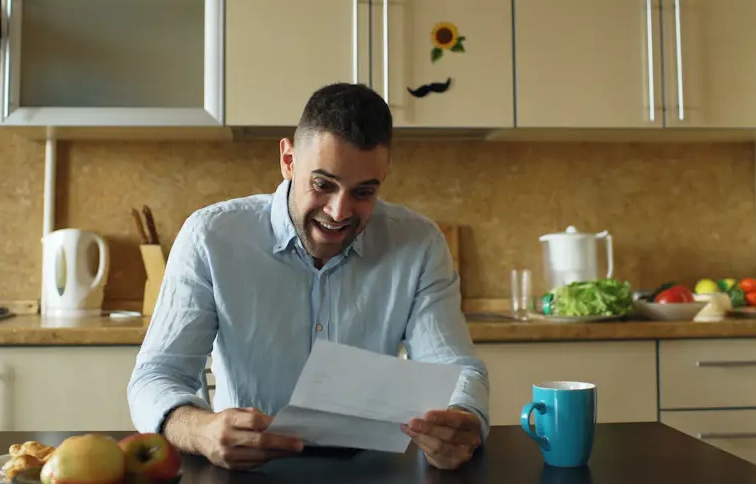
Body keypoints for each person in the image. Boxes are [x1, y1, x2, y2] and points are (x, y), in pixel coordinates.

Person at [127, 83, 490, 471]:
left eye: (363, 192)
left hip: (372, 470)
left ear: (384, 176)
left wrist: (462, 419)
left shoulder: (419, 244)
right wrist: (200, 430)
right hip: (245, 472)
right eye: (323, 184)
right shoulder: (210, 236)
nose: (338, 212)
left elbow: (455, 368)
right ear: (288, 160)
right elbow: (156, 375)